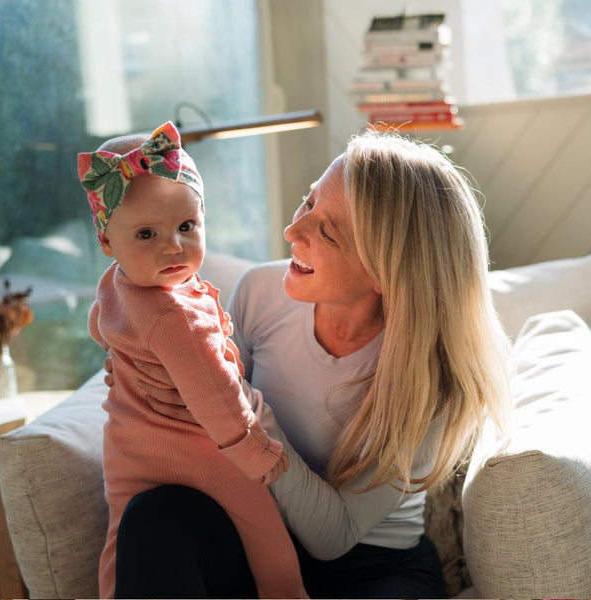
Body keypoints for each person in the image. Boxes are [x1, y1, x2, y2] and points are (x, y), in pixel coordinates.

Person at [111, 129, 512, 598]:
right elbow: (195, 413)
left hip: (372, 567)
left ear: (385, 271)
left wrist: (240, 407)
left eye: (326, 232)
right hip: (255, 535)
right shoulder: (259, 292)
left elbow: (333, 537)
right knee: (154, 517)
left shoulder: (433, 382)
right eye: (308, 203)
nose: (291, 232)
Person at [80, 121, 307, 599]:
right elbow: (214, 392)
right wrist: (254, 451)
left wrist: (120, 354)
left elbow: (99, 323)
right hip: (191, 443)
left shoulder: (117, 281)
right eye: (146, 234)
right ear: (108, 242)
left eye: (186, 227)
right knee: (262, 523)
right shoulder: (173, 316)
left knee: (122, 532)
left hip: (128, 443)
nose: (173, 247)